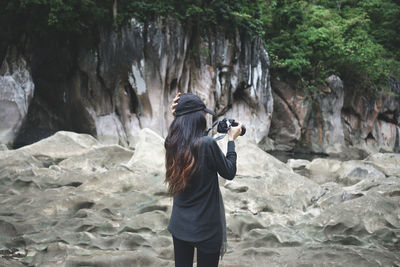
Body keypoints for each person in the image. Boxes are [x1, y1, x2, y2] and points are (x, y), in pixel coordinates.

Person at [164, 92, 242, 267]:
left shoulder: (172, 143)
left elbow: (176, 132)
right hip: (206, 228)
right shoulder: (207, 144)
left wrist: (176, 115)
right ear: (197, 118)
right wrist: (231, 139)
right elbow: (229, 172)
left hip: (180, 225)